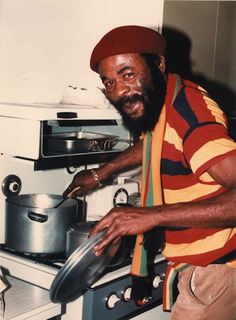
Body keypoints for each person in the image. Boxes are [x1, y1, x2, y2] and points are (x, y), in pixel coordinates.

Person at [63, 25, 236, 319]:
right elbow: (151, 143)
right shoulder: (166, 102)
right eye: (109, 82)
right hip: (206, 269)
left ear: (158, 64)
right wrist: (99, 174)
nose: (119, 92)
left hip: (217, 274)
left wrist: (151, 215)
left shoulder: (190, 111)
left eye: (128, 74)